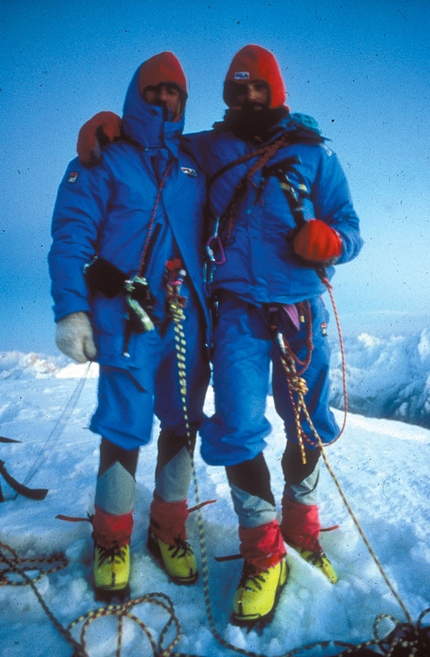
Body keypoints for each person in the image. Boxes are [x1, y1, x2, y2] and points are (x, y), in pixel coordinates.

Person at [76, 44, 363, 625]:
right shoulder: (209, 150)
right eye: (238, 90)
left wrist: (332, 242)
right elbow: (158, 146)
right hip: (235, 312)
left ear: (275, 91)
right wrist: (109, 127)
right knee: (236, 428)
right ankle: (264, 556)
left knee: (305, 423)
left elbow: (351, 228)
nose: (249, 97)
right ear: (227, 96)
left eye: (259, 87)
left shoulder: (316, 156)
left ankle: (301, 533)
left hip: (302, 308)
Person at [48, 52, 210, 599]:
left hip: (188, 318)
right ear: (135, 95)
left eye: (176, 94)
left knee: (182, 424)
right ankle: (112, 539)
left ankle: (168, 530)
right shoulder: (105, 158)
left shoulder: (194, 161)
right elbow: (71, 235)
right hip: (128, 320)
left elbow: (242, 148)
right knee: (123, 425)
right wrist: (72, 309)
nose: (166, 100)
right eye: (155, 91)